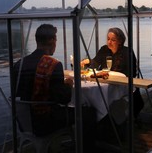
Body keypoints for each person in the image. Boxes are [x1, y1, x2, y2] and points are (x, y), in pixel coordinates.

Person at [13, 24, 96, 152]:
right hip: (45, 122)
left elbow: (18, 91)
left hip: (24, 122)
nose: (56, 43)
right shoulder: (53, 65)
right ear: (52, 40)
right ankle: (86, 149)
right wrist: (68, 84)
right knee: (89, 113)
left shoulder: (20, 64)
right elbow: (64, 99)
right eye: (56, 39)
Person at [81, 27, 143, 143]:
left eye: (113, 40)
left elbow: (131, 74)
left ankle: (114, 131)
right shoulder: (104, 50)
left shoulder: (127, 52)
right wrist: (88, 62)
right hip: (106, 84)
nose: (109, 42)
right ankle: (100, 128)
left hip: (122, 87)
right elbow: (95, 63)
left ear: (120, 41)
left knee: (112, 102)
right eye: (108, 39)